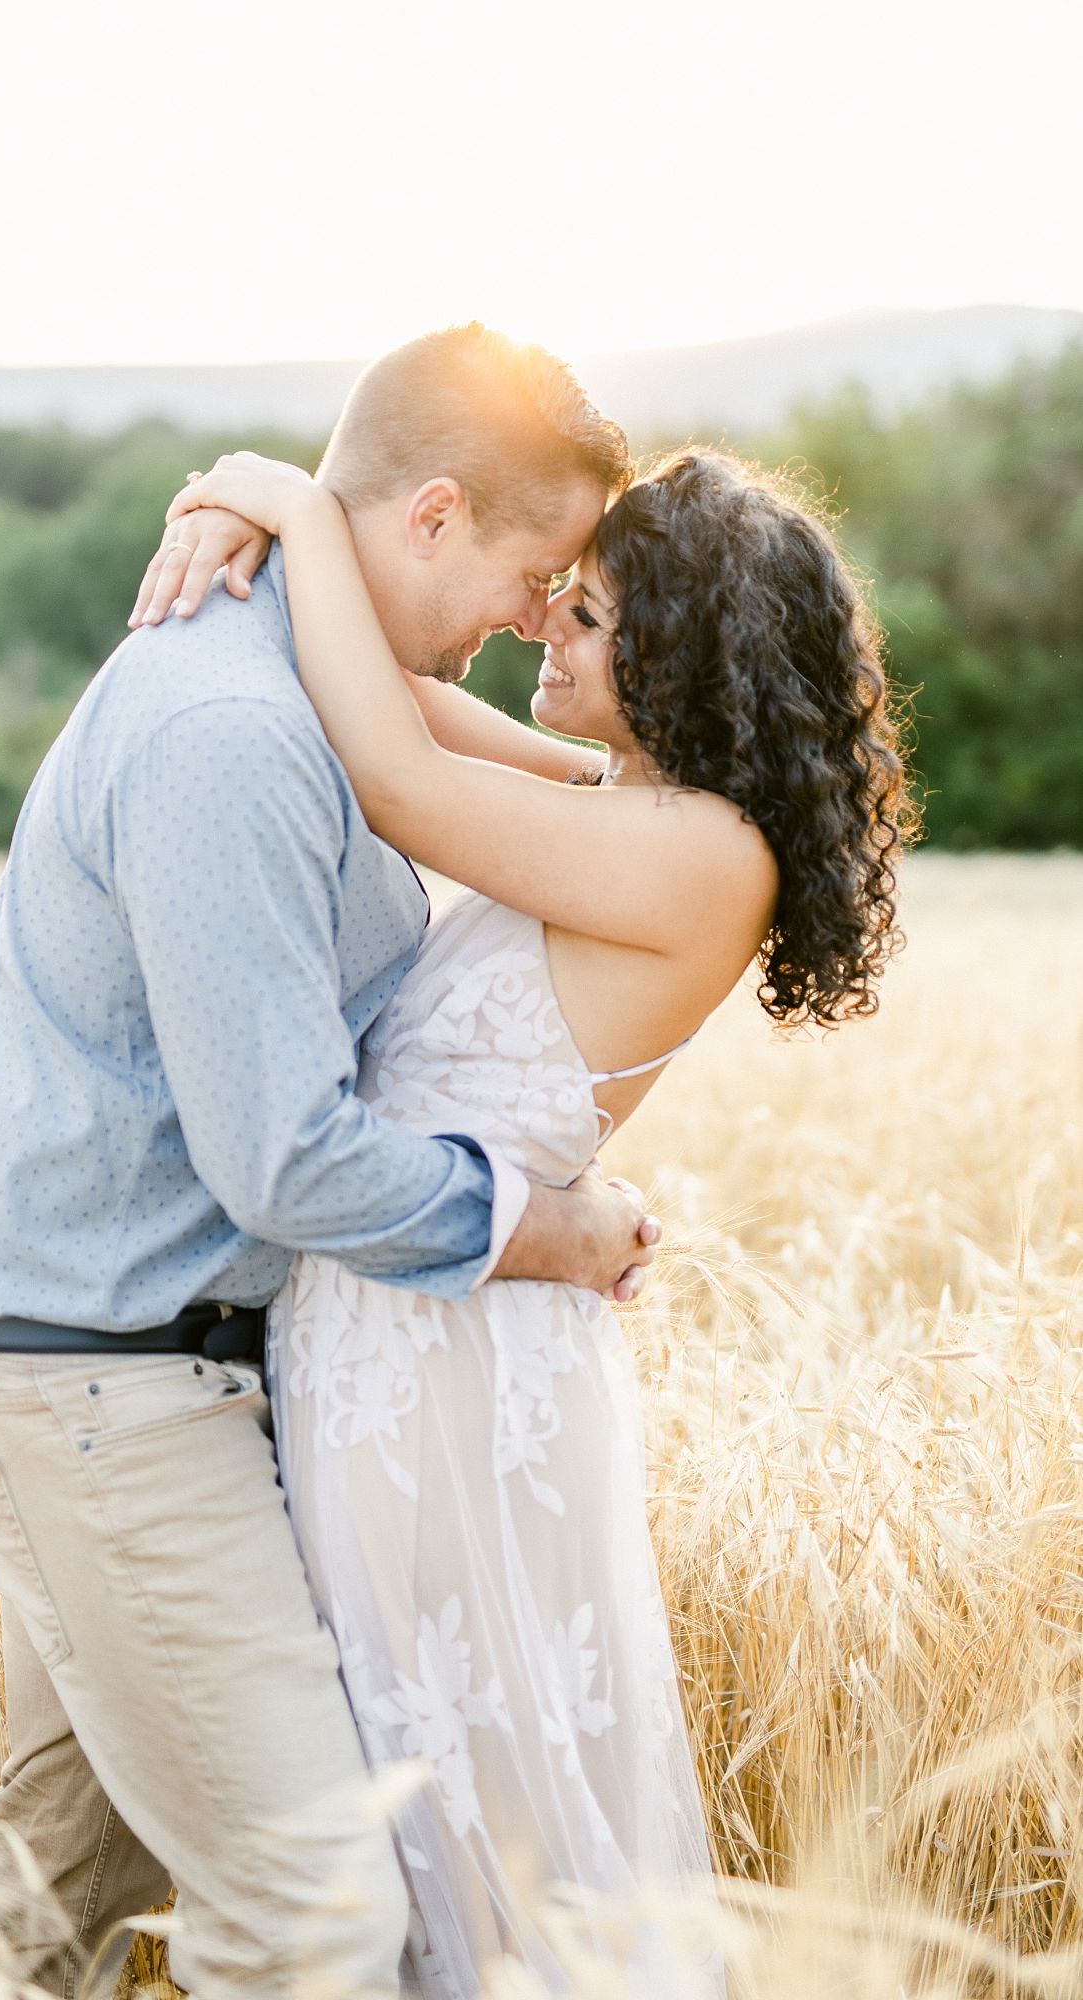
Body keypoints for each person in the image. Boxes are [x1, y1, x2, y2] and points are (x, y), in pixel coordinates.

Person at [0, 324, 666, 2000]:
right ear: (433, 516)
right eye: (533, 575)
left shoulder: (317, 686)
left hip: (149, 1383)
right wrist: (548, 1230)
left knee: (46, 1919)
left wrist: (265, 499)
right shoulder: (234, 732)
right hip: (102, 1398)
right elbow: (285, 1161)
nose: (531, 621)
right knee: (313, 1917)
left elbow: (607, 801)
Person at [129, 437, 914, 1996]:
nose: (543, 629)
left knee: (463, 1799)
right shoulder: (625, 801)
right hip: (404, 1321)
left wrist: (286, 503)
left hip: (445, 1367)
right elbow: (408, 699)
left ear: (683, 662)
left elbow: (395, 772)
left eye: (589, 617)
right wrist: (289, 533)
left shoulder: (699, 856)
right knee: (408, 1772)